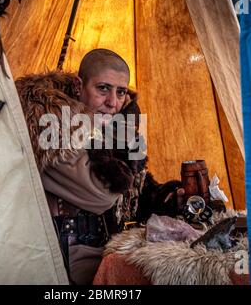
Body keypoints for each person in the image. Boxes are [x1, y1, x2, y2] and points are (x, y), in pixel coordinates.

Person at [15, 49, 185, 284]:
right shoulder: (50, 126)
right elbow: (102, 192)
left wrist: (164, 198)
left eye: (121, 92)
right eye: (103, 88)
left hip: (106, 261)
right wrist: (122, 134)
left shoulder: (106, 130)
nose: (112, 102)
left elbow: (132, 193)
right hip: (63, 270)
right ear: (78, 86)